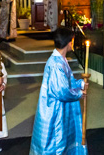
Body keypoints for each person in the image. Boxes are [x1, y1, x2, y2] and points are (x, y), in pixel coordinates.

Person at [30, 27, 88, 155]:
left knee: (63, 137)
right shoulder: (56, 64)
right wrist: (79, 93)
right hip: (55, 110)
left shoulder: (61, 60)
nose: (72, 44)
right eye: (72, 41)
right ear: (68, 43)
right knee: (56, 142)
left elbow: (69, 82)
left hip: (60, 107)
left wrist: (81, 84)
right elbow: (62, 91)